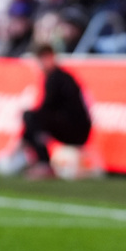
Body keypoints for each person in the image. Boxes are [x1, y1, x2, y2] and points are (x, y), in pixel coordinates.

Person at [15, 43, 92, 179]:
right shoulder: (60, 76)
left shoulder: (56, 78)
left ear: (48, 58)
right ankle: (35, 158)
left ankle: (44, 163)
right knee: (32, 118)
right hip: (76, 127)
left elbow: (46, 109)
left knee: (31, 117)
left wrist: (24, 137)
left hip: (75, 130)